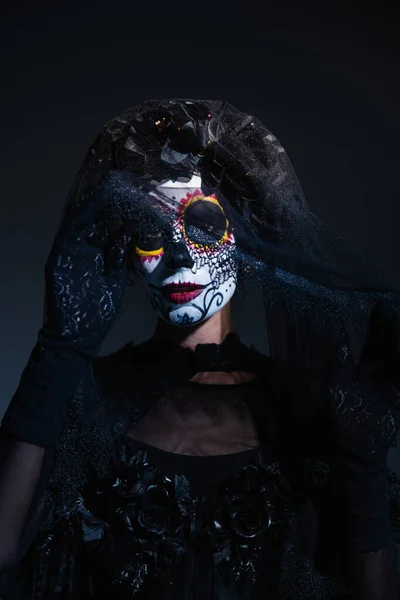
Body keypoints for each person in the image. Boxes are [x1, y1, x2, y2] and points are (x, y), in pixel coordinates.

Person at [0, 99, 399, 599]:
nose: (179, 253)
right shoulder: (84, 400)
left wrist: (362, 471)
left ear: (246, 235)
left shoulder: (314, 409)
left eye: (204, 224)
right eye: (149, 233)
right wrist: (58, 350)